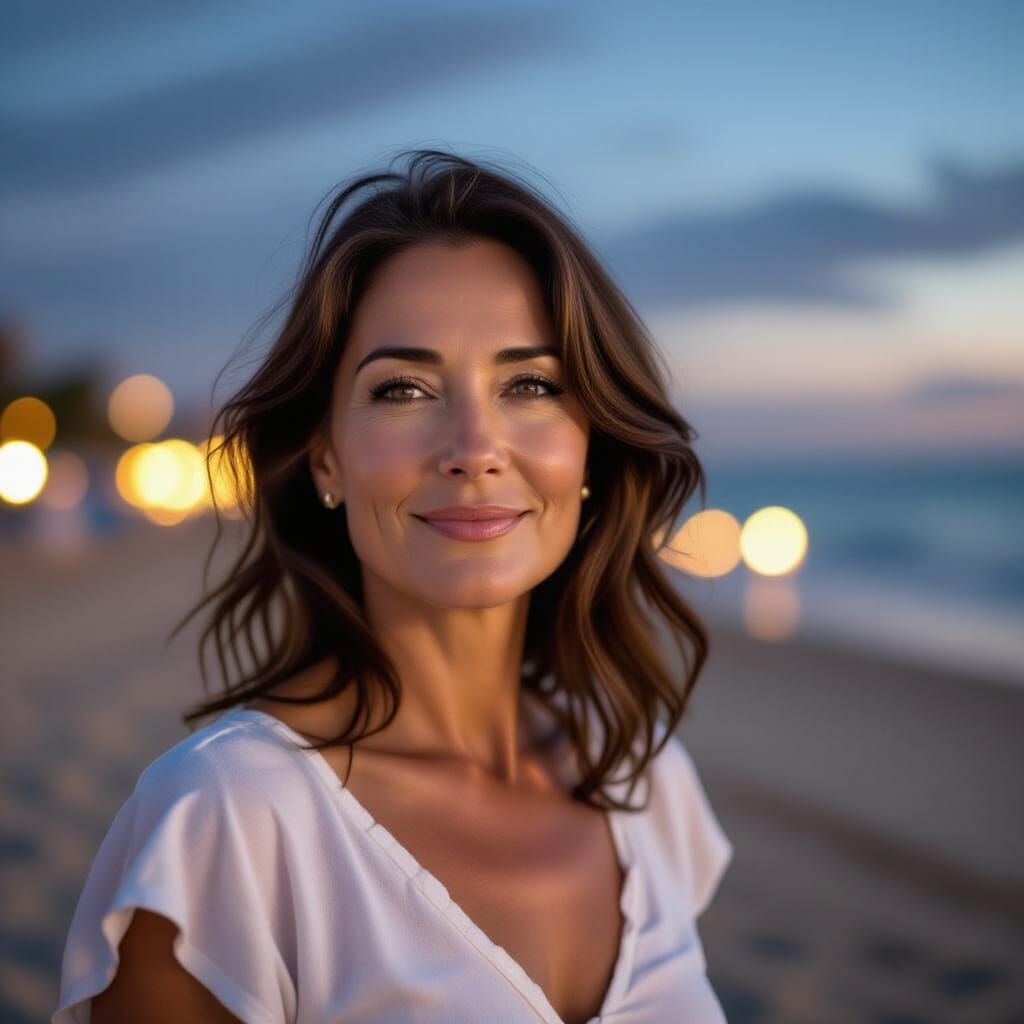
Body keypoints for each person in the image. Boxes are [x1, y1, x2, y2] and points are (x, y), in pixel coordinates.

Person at [53, 149, 733, 1024]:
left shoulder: (644, 778)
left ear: (590, 443)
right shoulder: (227, 819)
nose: (474, 445)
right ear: (327, 455)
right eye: (403, 389)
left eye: (529, 383)